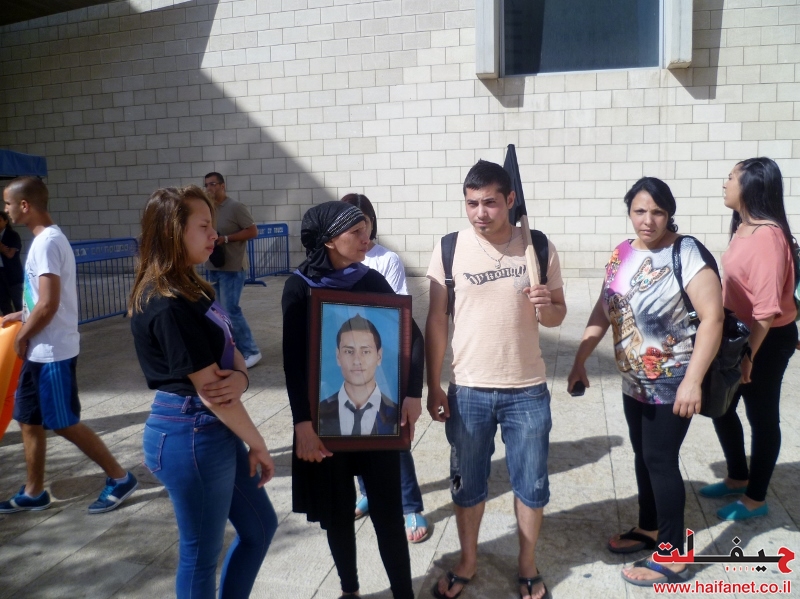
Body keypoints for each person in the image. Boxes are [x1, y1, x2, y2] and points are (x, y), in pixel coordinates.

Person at [567, 177, 724, 587]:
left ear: (669, 213)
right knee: (643, 455)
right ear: (629, 212)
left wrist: (693, 381)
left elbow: (713, 319)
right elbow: (606, 308)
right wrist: (580, 357)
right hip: (633, 381)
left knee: (660, 460)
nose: (648, 220)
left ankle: (673, 556)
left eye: (657, 212)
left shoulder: (686, 252)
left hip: (673, 381)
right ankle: (650, 527)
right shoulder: (622, 253)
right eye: (640, 211)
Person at [426, 160, 567, 599]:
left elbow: (557, 314)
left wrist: (546, 305)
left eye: (489, 202)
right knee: (468, 483)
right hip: (469, 390)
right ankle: (468, 560)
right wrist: (433, 383)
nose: (480, 213)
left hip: (527, 390)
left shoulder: (537, 245)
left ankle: (527, 563)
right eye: (471, 204)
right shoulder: (449, 248)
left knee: (532, 484)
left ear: (510, 199)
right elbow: (437, 320)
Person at [130, 185, 277, 598]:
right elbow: (214, 392)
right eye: (204, 226)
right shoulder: (165, 303)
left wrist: (242, 377)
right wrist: (259, 444)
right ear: (173, 232)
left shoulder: (195, 289)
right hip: (188, 432)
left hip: (210, 427)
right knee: (200, 556)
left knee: (260, 527)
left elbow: (232, 356)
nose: (214, 234)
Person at [282, 201, 424, 599]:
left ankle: (403, 593)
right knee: (338, 514)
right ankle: (349, 589)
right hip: (325, 425)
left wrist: (413, 393)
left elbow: (411, 337)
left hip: (377, 427)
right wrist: (302, 424)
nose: (368, 239)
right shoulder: (299, 287)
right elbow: (293, 363)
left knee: (388, 516)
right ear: (329, 240)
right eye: (357, 232)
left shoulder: (371, 280)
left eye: (368, 230)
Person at [0, 176, 138, 515]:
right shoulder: (44, 240)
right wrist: (21, 314)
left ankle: (120, 478)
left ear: (24, 205)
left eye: (7, 203)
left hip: (52, 353)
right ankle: (34, 492)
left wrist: (22, 335)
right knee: (28, 420)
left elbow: (49, 305)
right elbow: (42, 301)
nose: (5, 210)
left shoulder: (47, 243)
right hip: (40, 351)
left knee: (63, 421)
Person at [699, 158, 798, 520]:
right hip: (739, 334)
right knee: (721, 407)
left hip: (766, 339)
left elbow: (767, 310)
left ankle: (756, 498)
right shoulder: (744, 226)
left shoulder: (768, 236)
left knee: (761, 416)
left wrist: (748, 356)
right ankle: (738, 476)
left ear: (752, 185)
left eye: (731, 177)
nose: (725, 183)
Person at [340, 193, 429, 543]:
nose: (360, 234)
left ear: (372, 223)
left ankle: (409, 506)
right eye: (351, 226)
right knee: (353, 433)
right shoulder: (334, 266)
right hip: (350, 361)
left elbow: (397, 312)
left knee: (392, 439)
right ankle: (366, 492)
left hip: (382, 359)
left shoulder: (385, 260)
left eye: (363, 224)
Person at [203, 172, 262, 368]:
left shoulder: (235, 207)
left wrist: (227, 238)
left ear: (222, 186)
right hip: (213, 266)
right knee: (219, 312)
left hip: (233, 267)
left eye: (213, 184)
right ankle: (231, 350)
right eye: (206, 185)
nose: (209, 188)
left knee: (231, 310)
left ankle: (251, 351)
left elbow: (252, 231)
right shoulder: (208, 209)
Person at [318, 314, 398, 436]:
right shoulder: (319, 412)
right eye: (348, 351)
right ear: (338, 356)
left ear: (379, 356)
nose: (357, 361)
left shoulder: (396, 413)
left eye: (365, 352)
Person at [0, 210, 23, 314]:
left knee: (19, 304)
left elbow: (10, 254)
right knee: (4, 304)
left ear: (6, 221)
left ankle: (23, 323)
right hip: (0, 275)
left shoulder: (13, 235)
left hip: (13, 275)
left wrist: (2, 248)